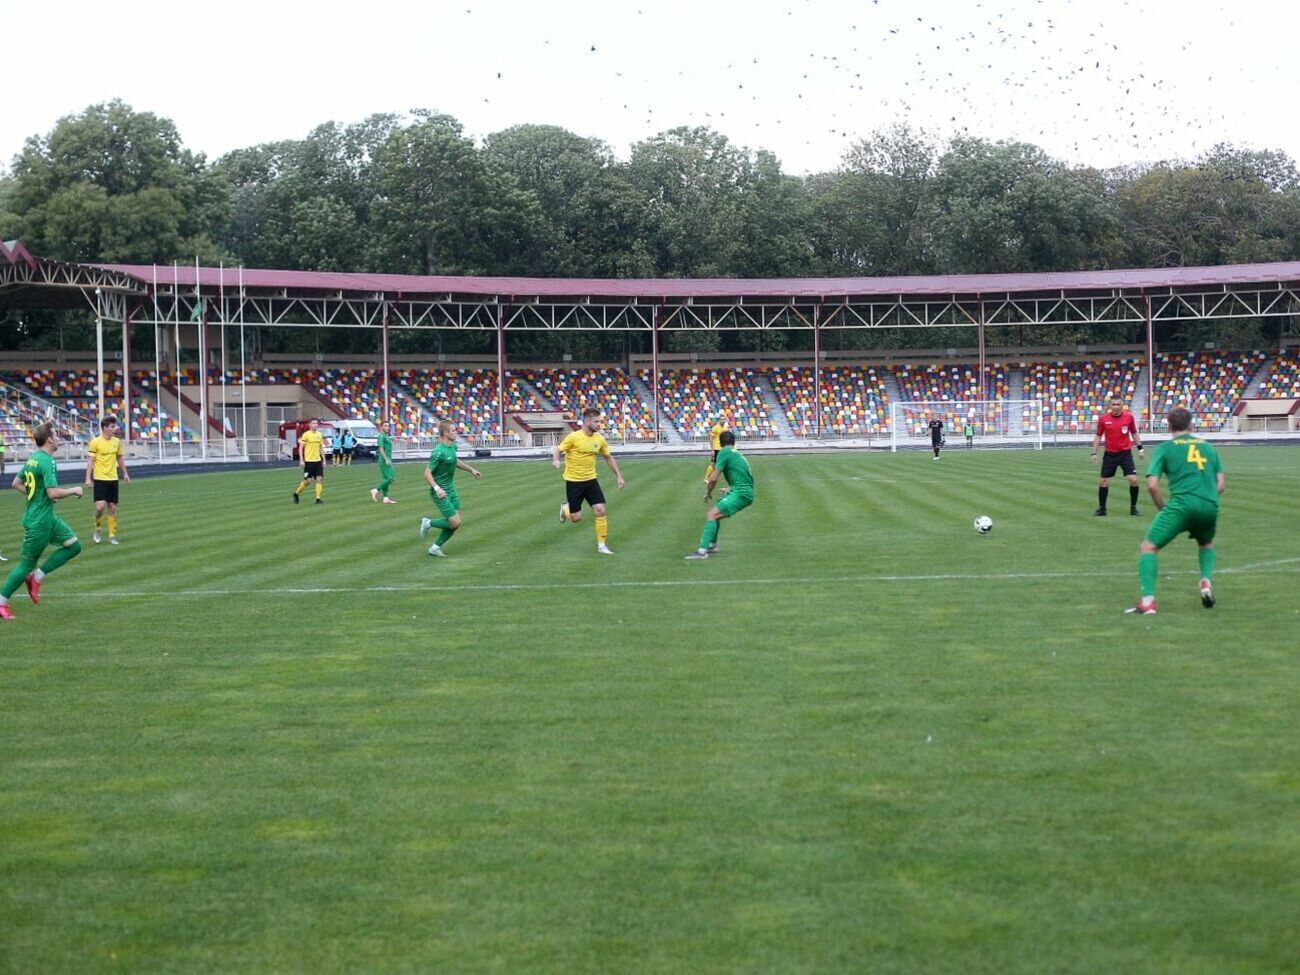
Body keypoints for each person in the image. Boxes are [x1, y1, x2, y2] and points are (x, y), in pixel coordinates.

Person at [1126, 407, 1223, 615]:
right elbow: (1221, 484)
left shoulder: (1165, 448)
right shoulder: (1208, 447)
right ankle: (1205, 581)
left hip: (1181, 505)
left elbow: (1152, 484)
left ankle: (1148, 602)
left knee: (1148, 548)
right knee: (1205, 542)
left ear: (1168, 425)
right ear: (1190, 425)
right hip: (1209, 505)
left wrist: (1164, 509)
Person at [0, 422, 84, 621]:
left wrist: (38, 496)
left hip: (47, 517)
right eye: (56, 434)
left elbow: (16, 483)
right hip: (39, 521)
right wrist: (74, 490)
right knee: (26, 563)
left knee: (74, 546)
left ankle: (36, 577)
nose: (58, 437)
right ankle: (1, 603)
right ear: (50, 439)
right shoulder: (46, 461)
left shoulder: (33, 458)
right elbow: (52, 492)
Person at [554, 407, 625, 555]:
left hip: (591, 480)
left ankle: (602, 546)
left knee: (601, 510)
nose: (599, 424)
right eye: (596, 421)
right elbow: (558, 449)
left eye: (600, 421)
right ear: (586, 421)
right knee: (576, 518)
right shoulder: (574, 437)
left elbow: (608, 457)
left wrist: (618, 476)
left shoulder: (599, 439)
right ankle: (565, 509)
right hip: (573, 482)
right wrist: (556, 460)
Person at [685, 430, 754, 560]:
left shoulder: (724, 453)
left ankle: (702, 551)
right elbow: (747, 479)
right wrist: (730, 488)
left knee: (711, 514)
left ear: (720, 443)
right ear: (734, 442)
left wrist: (708, 493)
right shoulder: (738, 454)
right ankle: (712, 545)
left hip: (742, 493)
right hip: (744, 491)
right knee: (715, 514)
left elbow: (713, 478)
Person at [418, 419, 482, 556]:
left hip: (451, 488)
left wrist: (471, 470)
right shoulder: (438, 452)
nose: (456, 432)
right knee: (455, 522)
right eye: (453, 430)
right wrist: (437, 488)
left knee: (455, 522)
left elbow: (455, 460)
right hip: (440, 492)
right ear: (445, 433)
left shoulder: (452, 447)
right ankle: (428, 522)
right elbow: (426, 473)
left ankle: (435, 548)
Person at [1091, 395, 1144, 516]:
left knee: (1133, 480)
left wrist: (1140, 448)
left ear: (1122, 405)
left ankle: (1133, 508)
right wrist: (1094, 452)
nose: (1115, 407)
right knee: (1103, 481)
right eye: (1113, 404)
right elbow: (1098, 435)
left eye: (1118, 404)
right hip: (1110, 454)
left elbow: (1134, 433)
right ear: (1109, 405)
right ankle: (1102, 509)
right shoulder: (1103, 419)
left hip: (1125, 454)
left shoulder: (1129, 418)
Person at [85, 415, 130, 545]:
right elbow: (90, 461)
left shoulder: (117, 442)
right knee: (100, 507)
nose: (114, 428)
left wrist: (125, 474)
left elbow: (120, 458)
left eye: (114, 426)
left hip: (113, 479)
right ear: (105, 428)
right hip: (99, 479)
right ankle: (97, 528)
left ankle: (112, 535)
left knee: (112, 508)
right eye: (112, 426)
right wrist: (88, 478)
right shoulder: (95, 442)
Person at [292, 418, 326, 504]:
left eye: (316, 423)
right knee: (308, 481)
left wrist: (324, 460)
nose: (315, 425)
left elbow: (321, 448)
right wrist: (301, 460)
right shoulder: (306, 435)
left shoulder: (319, 434)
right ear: (310, 425)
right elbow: (301, 448)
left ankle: (318, 499)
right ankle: (296, 493)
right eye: (313, 423)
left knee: (319, 479)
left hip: (318, 460)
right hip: (309, 461)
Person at [371, 422, 397, 504]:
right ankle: (375, 490)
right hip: (384, 459)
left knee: (386, 478)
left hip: (387, 458)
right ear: (381, 427)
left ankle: (386, 498)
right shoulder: (381, 436)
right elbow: (381, 448)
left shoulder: (386, 436)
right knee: (391, 478)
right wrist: (386, 459)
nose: (387, 427)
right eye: (385, 426)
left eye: (388, 426)